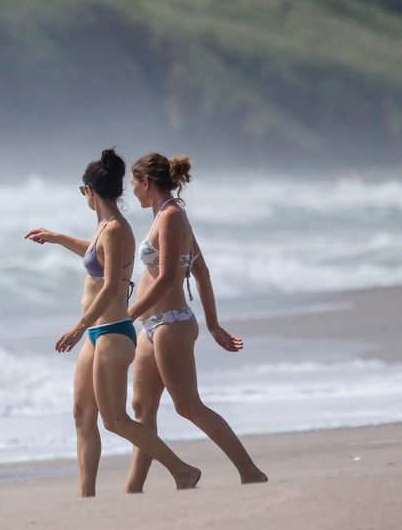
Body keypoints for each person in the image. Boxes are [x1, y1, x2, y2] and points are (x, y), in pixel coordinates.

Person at [25, 149, 201, 497]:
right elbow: (94, 251)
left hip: (112, 332)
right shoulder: (105, 227)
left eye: (82, 192)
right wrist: (57, 237)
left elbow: (108, 287)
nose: (84, 198)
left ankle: (182, 470)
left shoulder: (117, 229)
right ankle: (85, 493)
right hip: (97, 333)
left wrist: (77, 328)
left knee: (115, 419)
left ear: (90, 190)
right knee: (82, 414)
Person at [125, 153, 267, 492]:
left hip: (171, 323)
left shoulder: (172, 216)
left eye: (134, 184)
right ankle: (134, 489)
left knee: (187, 406)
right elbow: (200, 269)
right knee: (142, 409)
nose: (132, 191)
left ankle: (250, 472)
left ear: (146, 182)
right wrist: (213, 324)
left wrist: (124, 317)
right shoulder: (163, 215)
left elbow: (166, 279)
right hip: (153, 326)